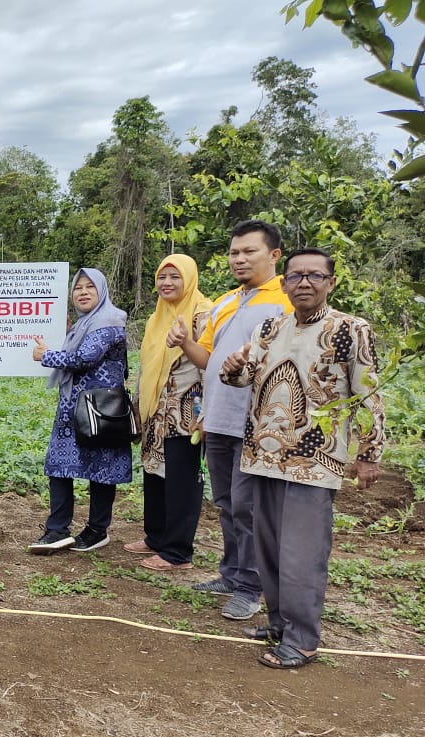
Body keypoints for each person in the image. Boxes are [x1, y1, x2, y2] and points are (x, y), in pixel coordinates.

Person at [220, 248, 385, 669]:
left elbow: (368, 395)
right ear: (285, 283)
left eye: (315, 275)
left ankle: (303, 640)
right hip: (263, 455)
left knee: (301, 554)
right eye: (296, 276)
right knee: (269, 549)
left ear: (331, 282)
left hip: (315, 461)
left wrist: (369, 453)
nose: (304, 283)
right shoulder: (271, 327)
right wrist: (233, 365)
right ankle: (280, 624)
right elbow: (240, 378)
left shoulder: (350, 329)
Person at [167, 220, 293, 621]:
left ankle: (251, 588)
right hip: (219, 419)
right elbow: (208, 360)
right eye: (234, 252)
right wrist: (185, 343)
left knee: (248, 507)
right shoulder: (224, 302)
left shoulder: (287, 301)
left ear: (274, 255)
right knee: (226, 503)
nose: (239, 259)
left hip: (259, 425)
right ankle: (232, 573)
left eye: (249, 251)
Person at [28, 268, 131, 554]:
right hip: (72, 408)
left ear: (102, 291)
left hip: (101, 409)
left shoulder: (109, 321)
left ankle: (97, 530)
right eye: (78, 287)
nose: (83, 292)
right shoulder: (83, 324)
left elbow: (85, 358)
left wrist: (47, 356)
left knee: (102, 469)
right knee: (59, 466)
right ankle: (57, 529)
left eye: (90, 287)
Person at [127, 254, 213, 571]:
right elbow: (147, 366)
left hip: (186, 412)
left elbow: (210, 363)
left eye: (175, 277)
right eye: (162, 277)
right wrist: (139, 406)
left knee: (182, 480)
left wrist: (207, 413)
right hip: (156, 411)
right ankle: (156, 537)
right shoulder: (156, 318)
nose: (167, 283)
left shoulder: (203, 313)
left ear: (188, 279)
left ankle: (177, 552)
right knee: (154, 473)